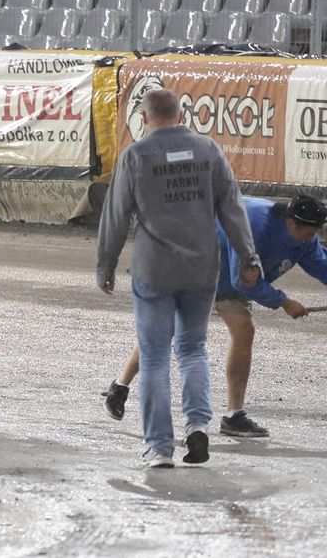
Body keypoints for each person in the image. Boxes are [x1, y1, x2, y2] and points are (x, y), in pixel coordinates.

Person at [96, 88, 260, 469]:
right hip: (202, 269)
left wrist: (105, 264)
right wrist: (249, 258)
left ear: (145, 117)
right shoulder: (208, 150)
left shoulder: (135, 156)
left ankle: (159, 448)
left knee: (154, 357)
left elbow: (116, 216)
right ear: (180, 113)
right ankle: (198, 422)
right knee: (192, 349)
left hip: (154, 270)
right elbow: (233, 209)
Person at [103, 194, 327, 438]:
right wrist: (283, 301)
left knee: (244, 330)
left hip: (224, 277)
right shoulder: (251, 226)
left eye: (316, 232)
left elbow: (322, 266)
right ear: (292, 223)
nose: (312, 238)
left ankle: (234, 416)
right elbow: (243, 281)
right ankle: (120, 387)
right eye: (310, 232)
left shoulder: (305, 240)